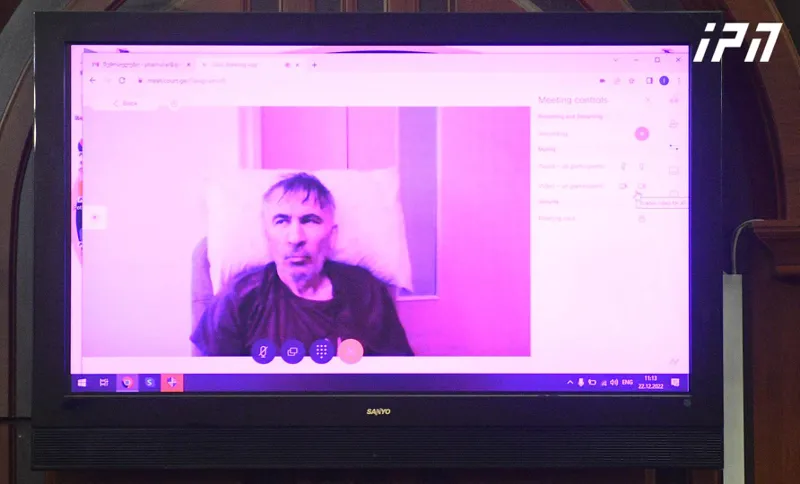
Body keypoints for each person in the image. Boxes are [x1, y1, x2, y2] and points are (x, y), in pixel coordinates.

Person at [191, 172, 414, 357]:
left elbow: (399, 378)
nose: (295, 237)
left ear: (332, 236)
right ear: (266, 235)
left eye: (310, 220)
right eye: (282, 221)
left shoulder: (364, 291)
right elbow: (211, 383)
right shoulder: (239, 297)